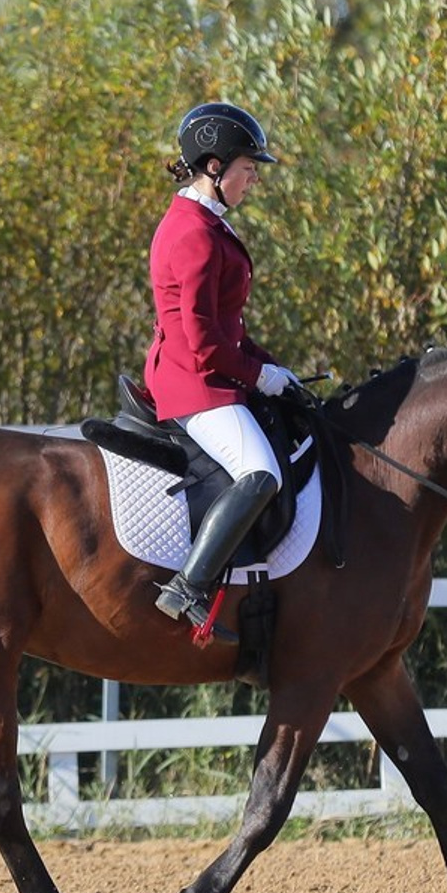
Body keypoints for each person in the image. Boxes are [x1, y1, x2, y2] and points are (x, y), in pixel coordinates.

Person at [144, 101, 301, 638]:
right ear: (215, 166)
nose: (253, 178)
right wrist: (257, 378)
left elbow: (226, 327)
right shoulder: (193, 233)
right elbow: (204, 340)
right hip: (196, 384)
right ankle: (188, 585)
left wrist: (273, 369)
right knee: (263, 475)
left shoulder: (202, 223)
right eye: (248, 168)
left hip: (206, 372)